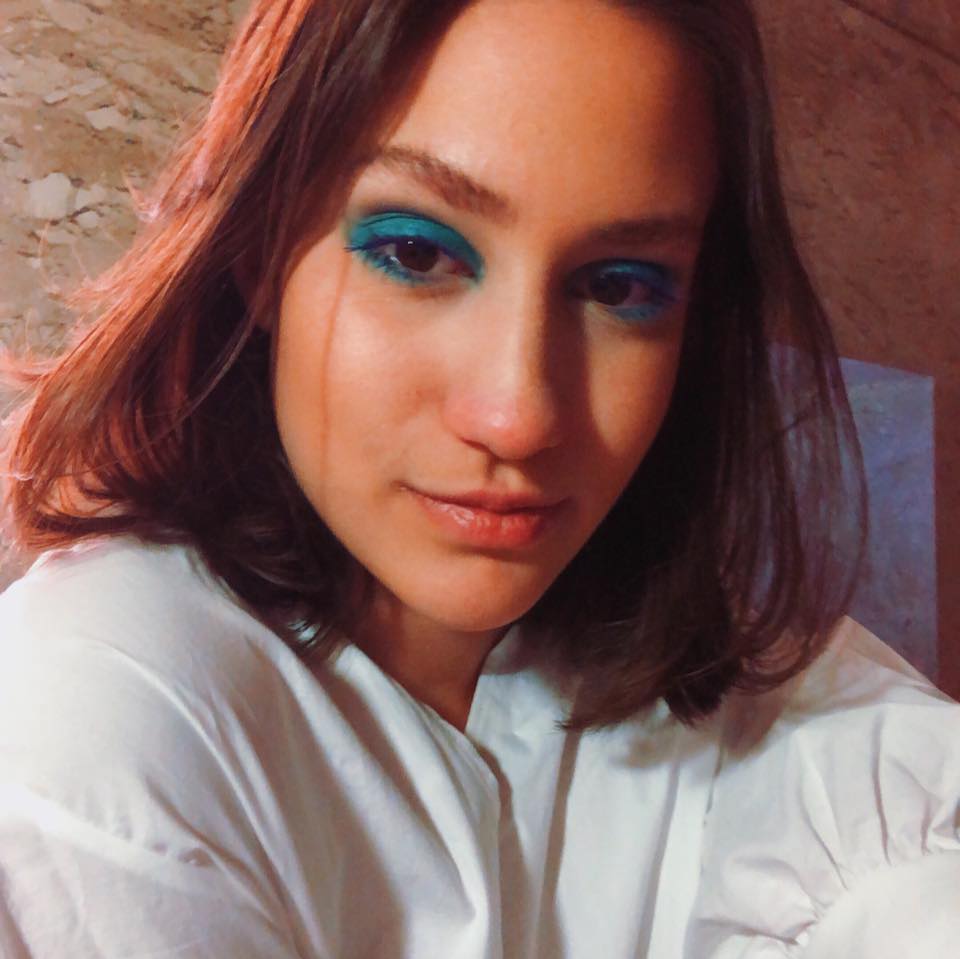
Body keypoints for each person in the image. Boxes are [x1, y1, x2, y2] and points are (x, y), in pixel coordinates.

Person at [0, 0, 957, 955]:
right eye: (415, 253)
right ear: (260, 254)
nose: (520, 414)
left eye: (621, 286)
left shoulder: (774, 699)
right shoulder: (104, 710)